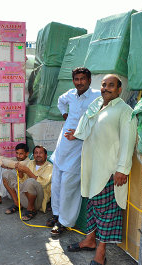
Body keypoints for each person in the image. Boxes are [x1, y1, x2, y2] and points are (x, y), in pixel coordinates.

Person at [65, 74, 137, 265]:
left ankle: (101, 252)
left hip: (109, 170)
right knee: (93, 206)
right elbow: (88, 125)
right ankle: (89, 240)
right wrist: (77, 134)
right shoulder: (97, 104)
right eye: (104, 85)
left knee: (107, 212)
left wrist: (122, 169)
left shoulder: (124, 111)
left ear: (119, 89)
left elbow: (128, 142)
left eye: (111, 85)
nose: (106, 88)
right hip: (92, 167)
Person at [48, 67, 101, 235]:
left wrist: (78, 134)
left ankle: (64, 222)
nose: (79, 82)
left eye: (82, 79)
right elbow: (60, 101)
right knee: (56, 182)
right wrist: (65, 115)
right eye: (76, 79)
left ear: (89, 80)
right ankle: (56, 215)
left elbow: (98, 121)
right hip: (63, 143)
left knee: (69, 185)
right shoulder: (70, 94)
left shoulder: (97, 96)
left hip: (80, 145)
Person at [2, 145, 53, 221]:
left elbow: (43, 184)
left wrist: (27, 171)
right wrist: (20, 173)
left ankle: (31, 209)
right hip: (26, 194)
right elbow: (22, 181)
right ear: (33, 155)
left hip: (39, 201)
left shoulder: (50, 167)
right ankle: (18, 204)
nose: (38, 155)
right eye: (36, 153)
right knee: (6, 174)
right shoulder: (30, 163)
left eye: (40, 153)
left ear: (46, 155)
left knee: (31, 181)